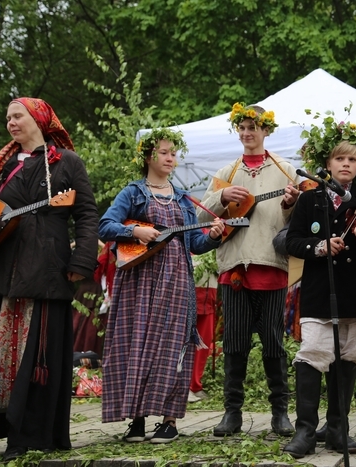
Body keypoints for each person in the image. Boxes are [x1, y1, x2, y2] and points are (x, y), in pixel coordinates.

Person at [0, 98, 99, 461]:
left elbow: (86, 215)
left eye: (17, 115)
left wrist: (81, 263)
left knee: (36, 351)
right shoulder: (0, 165)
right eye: (7, 117)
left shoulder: (68, 162)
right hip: (0, 268)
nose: (10, 123)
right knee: (0, 351)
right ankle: (0, 427)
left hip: (46, 268)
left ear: (38, 118)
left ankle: (30, 434)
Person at [99, 128, 225, 443]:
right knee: (136, 344)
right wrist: (135, 234)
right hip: (138, 283)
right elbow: (105, 224)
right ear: (148, 156)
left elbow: (193, 243)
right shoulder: (133, 192)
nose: (171, 158)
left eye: (173, 153)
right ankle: (138, 421)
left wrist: (213, 235)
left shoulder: (183, 199)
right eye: (164, 152)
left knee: (174, 349)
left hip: (176, 283)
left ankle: (169, 421)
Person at [283, 118, 356, 459]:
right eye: (340, 159)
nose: (346, 164)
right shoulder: (309, 199)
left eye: (353, 160)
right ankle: (304, 431)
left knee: (348, 357)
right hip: (319, 291)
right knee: (313, 355)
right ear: (327, 165)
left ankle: (337, 428)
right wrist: (320, 246)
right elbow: (292, 241)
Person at [196, 103, 299, 437]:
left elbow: (298, 224)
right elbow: (200, 216)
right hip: (235, 267)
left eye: (253, 127)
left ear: (266, 130)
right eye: (242, 128)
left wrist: (289, 205)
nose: (247, 133)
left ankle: (280, 414)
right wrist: (222, 195)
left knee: (272, 343)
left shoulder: (286, 170)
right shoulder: (227, 171)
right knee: (236, 343)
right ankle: (232, 413)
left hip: (271, 265)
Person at [188, 251, 219, 403]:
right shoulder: (187, 229)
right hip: (188, 292)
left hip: (209, 295)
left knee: (203, 345)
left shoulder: (218, 231)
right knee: (185, 343)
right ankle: (183, 387)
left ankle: (195, 385)